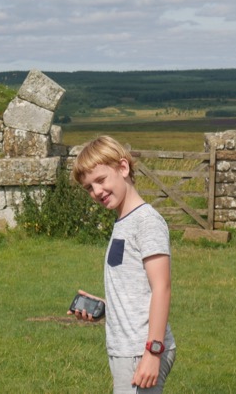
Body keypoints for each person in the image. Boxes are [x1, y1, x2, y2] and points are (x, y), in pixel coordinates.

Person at [68, 135, 176, 393]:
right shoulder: (123, 222)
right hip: (127, 349)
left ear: (123, 168)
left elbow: (162, 288)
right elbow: (136, 290)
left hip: (141, 350)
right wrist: (106, 308)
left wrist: (153, 352)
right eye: (89, 188)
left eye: (101, 180)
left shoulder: (146, 222)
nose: (96, 192)